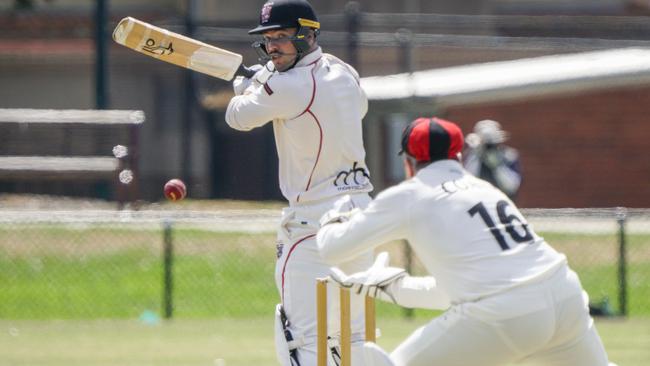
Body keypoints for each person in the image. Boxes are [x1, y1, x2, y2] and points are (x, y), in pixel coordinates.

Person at [316, 117, 612, 366]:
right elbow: (462, 290)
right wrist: (391, 286)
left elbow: (330, 249)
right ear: (457, 156)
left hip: (504, 313)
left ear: (408, 163)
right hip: (565, 295)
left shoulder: (409, 194)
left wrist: (329, 213)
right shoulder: (485, 188)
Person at [225, 1, 374, 365]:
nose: (272, 46)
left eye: (282, 37)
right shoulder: (344, 72)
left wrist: (249, 84)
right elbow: (358, 108)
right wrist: (267, 81)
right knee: (354, 339)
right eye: (268, 38)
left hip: (314, 226)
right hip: (362, 218)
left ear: (307, 35)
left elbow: (237, 117)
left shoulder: (289, 86)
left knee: (302, 339)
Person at [463, 119, 522, 201]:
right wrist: (476, 156)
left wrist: (498, 167)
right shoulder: (472, 155)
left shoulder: (509, 155)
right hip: (478, 201)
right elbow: (467, 183)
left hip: (503, 202)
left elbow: (512, 187)